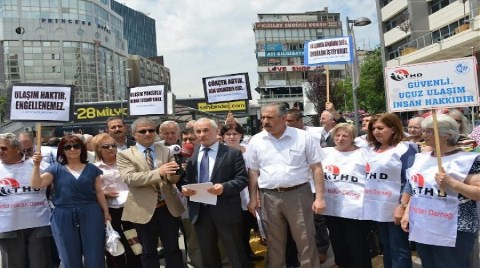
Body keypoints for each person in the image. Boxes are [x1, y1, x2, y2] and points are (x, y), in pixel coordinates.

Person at [247, 103, 325, 268]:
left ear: (283, 119)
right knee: (274, 244)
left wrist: (319, 198)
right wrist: (253, 199)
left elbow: (317, 168)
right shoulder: (256, 140)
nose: (265, 121)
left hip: (298, 195)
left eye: (270, 117)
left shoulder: (303, 137)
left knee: (305, 240)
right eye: (263, 117)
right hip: (268, 196)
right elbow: (253, 172)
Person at [400, 114, 480, 268]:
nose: (424, 135)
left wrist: (452, 183)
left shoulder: (468, 160)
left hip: (455, 228)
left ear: (446, 135)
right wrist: (407, 211)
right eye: (424, 131)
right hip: (424, 224)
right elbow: (416, 190)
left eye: (430, 131)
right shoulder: (421, 158)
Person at [30, 135, 111, 268]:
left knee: (95, 253)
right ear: (62, 150)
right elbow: (36, 184)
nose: (72, 149)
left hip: (90, 211)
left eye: (76, 146)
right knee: (68, 254)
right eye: (68, 147)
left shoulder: (92, 169)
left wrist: (106, 212)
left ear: (82, 149)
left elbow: (98, 191)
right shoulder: (55, 169)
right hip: (63, 213)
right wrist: (36, 166)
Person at [116, 117, 185, 268]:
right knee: (148, 251)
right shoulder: (125, 154)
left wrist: (177, 172)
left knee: (173, 249)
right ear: (134, 134)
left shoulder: (166, 150)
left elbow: (172, 179)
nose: (148, 133)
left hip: (168, 207)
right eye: (143, 131)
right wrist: (159, 172)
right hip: (143, 210)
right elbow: (129, 178)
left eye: (151, 130)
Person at [181, 118, 249, 268]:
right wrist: (185, 188)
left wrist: (223, 187)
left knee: (235, 253)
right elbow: (185, 179)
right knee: (208, 255)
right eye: (198, 131)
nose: (201, 134)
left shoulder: (232, 153)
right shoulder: (191, 154)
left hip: (225, 210)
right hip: (201, 212)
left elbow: (242, 179)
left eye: (206, 130)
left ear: (217, 131)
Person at [365, 113, 417, 268]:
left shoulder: (405, 149)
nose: (376, 132)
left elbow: (410, 180)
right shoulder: (371, 149)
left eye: (381, 128)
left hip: (396, 205)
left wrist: (402, 206)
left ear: (393, 129)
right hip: (378, 206)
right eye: (374, 128)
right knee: (386, 246)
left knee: (398, 247)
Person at [322, 123, 372, 268]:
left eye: (345, 136)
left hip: (355, 209)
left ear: (352, 138)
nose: (340, 138)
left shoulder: (364, 153)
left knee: (358, 245)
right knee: (338, 244)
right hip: (332, 208)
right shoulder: (325, 152)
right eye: (337, 135)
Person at [285, 108, 330, 265]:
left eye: (290, 121)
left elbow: (326, 156)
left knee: (318, 220)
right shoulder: (283, 136)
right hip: (295, 187)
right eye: (285, 120)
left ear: (300, 121)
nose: (286, 124)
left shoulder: (315, 135)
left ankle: (321, 248)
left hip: (313, 183)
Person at [0, 133, 52, 268]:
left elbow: (57, 186)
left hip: (38, 224)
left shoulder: (39, 165)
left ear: (17, 148)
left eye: (4, 148)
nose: (0, 151)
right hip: (8, 226)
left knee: (40, 264)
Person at [91, 133, 142, 268]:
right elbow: (92, 189)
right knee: (114, 244)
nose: (111, 149)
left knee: (134, 243)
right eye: (106, 146)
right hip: (109, 210)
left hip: (130, 207)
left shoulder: (125, 162)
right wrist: (105, 193)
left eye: (113, 145)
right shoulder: (94, 167)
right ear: (98, 149)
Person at [220, 120, 263, 262]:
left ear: (241, 135)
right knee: (236, 231)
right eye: (228, 134)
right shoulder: (219, 153)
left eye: (235, 134)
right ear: (223, 136)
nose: (232, 137)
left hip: (250, 195)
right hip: (230, 197)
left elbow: (255, 173)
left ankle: (248, 252)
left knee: (251, 226)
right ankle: (241, 257)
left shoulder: (249, 150)